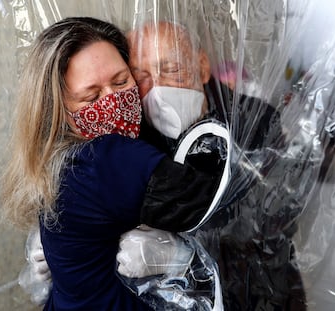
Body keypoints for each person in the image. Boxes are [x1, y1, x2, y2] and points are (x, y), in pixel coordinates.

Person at [0, 17, 224, 311]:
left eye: (121, 81)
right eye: (92, 96)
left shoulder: (63, 159)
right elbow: (215, 202)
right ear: (57, 110)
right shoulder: (104, 157)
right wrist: (182, 257)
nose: (114, 101)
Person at [118, 20, 308, 311]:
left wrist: (182, 255)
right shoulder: (132, 139)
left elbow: (275, 215)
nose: (157, 88)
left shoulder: (254, 121)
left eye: (170, 69)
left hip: (259, 290)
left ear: (203, 65)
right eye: (140, 76)